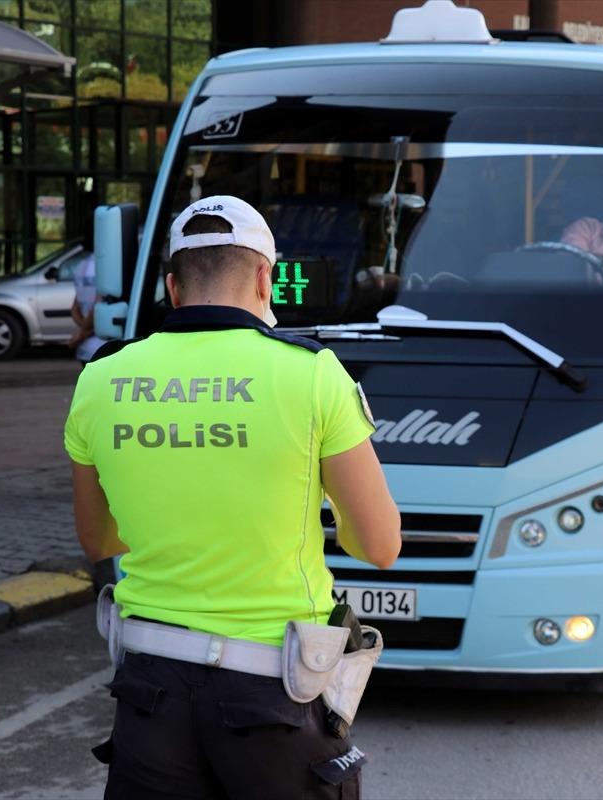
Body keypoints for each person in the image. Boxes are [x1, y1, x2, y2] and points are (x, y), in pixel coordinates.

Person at [64, 195, 401, 798]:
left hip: (149, 689)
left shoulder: (101, 378)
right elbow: (378, 545)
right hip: (272, 694)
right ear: (264, 278)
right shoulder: (312, 374)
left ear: (171, 285)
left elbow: (98, 539)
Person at [69, 222, 105, 365]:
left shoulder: (82, 265)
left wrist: (82, 333)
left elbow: (74, 309)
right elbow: (99, 304)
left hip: (85, 349)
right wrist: (84, 332)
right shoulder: (105, 266)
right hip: (102, 346)